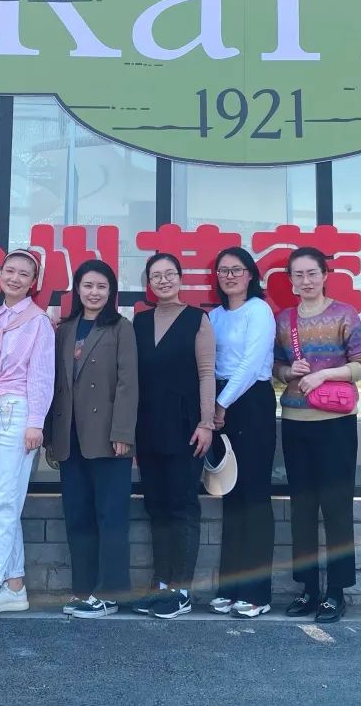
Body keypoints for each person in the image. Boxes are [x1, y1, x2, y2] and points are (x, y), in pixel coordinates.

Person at [273, 247, 361, 623]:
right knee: (301, 508)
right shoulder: (284, 320)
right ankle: (308, 589)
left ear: (325, 275)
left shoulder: (344, 314)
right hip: (295, 422)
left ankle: (336, 592)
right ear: (290, 280)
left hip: (336, 424)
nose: (306, 281)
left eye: (312, 273)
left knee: (336, 507)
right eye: (298, 275)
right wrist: (289, 372)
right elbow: (275, 366)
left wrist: (324, 375)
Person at [0, 250, 55, 623]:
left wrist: (35, 422)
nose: (15, 278)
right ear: (0, 275)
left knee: (2, 501)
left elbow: (42, 375)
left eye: (24, 274)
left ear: (34, 282)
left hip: (17, 413)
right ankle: (15, 586)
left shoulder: (39, 322)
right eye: (10, 271)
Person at [45, 260, 138, 618]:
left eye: (101, 286)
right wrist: (51, 436)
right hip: (69, 438)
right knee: (78, 516)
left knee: (110, 516)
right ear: (77, 289)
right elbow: (55, 384)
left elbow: (128, 384)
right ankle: (84, 590)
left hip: (107, 438)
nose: (94, 292)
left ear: (111, 291)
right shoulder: (65, 329)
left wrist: (123, 433)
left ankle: (111, 594)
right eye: (88, 285)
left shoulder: (120, 328)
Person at [132, 253, 215, 619]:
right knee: (157, 505)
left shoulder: (198, 319)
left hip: (186, 426)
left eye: (170, 274)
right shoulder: (139, 321)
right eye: (156, 276)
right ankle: (161, 584)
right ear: (148, 283)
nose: (163, 280)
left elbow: (207, 373)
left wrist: (206, 423)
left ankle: (181, 590)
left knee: (182, 505)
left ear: (181, 279)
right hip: (148, 426)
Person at [207, 246, 277, 618]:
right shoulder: (215, 316)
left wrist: (221, 403)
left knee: (254, 496)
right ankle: (230, 588)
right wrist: (212, 405)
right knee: (230, 495)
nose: (230, 276)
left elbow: (251, 363)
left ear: (250, 274)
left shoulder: (258, 310)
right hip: (220, 403)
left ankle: (256, 593)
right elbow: (209, 363)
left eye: (236, 269)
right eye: (223, 270)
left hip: (251, 403)